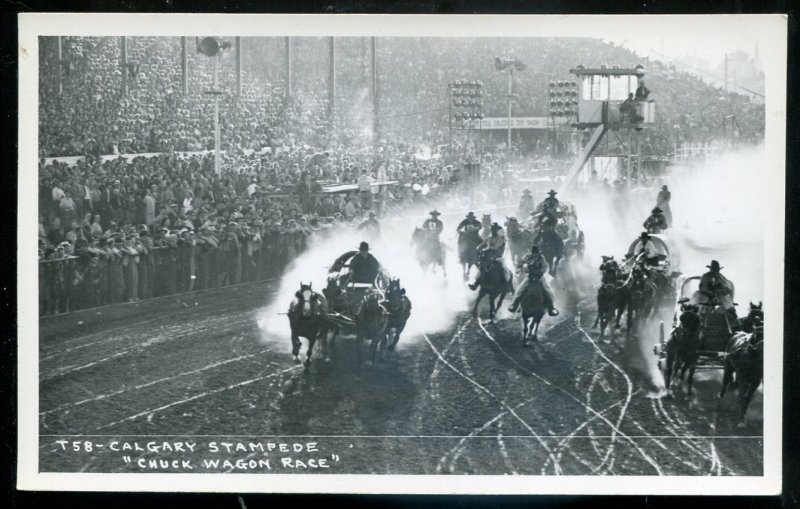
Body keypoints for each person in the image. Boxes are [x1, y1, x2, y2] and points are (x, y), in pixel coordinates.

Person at [508, 244, 558, 315]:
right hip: (529, 276)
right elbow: (520, 263)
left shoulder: (542, 258)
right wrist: (520, 268)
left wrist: (537, 272)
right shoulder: (528, 256)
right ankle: (514, 304)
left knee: (547, 289)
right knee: (520, 289)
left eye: (536, 254)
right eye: (533, 254)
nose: (535, 255)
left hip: (539, 277)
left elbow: (544, 267)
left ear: (538, 253)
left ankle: (551, 307)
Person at [469, 223, 510, 292]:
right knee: (482, 266)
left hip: (497, 256)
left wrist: (485, 249)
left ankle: (507, 285)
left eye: (494, 229)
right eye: (492, 229)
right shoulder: (489, 238)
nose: (493, 230)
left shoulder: (500, 238)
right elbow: (483, 244)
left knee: (503, 269)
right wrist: (478, 248)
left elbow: (494, 247)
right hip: (488, 256)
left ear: (497, 230)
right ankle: (476, 283)